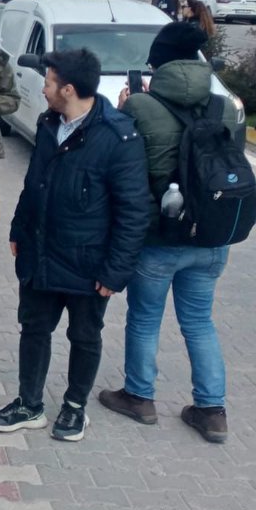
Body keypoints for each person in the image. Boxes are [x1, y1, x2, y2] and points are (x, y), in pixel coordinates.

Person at [0, 48, 148, 442]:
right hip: (40, 251)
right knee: (34, 328)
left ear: (69, 89)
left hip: (89, 262)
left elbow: (134, 211)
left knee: (84, 336)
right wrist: (19, 230)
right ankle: (29, 404)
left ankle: (75, 407)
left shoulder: (118, 136)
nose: (42, 89)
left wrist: (115, 271)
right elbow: (34, 181)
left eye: (49, 82)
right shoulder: (48, 123)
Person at [98, 23, 241, 443]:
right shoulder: (224, 106)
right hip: (213, 235)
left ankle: (139, 397)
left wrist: (127, 106)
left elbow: (122, 159)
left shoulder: (141, 106)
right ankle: (212, 411)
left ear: (157, 63)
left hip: (161, 235)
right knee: (200, 321)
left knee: (145, 319)